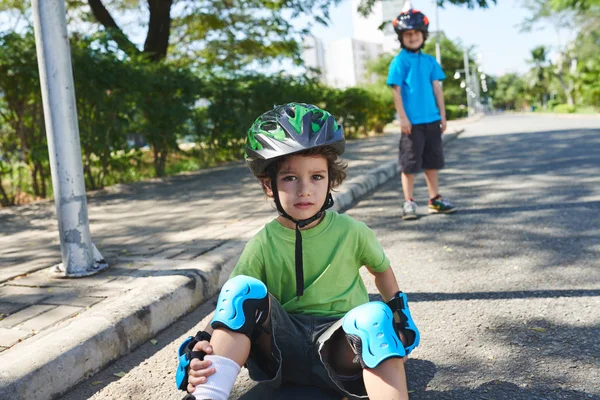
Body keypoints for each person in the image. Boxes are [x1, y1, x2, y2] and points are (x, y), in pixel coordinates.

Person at [174, 103, 420, 400]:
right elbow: (231, 309)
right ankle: (209, 393)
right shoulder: (264, 242)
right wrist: (203, 341)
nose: (305, 189)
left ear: (331, 179)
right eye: (290, 178)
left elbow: (381, 270)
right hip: (282, 352)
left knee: (373, 317)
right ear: (269, 186)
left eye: (316, 177)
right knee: (240, 289)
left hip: (340, 350)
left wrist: (399, 315)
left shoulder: (352, 231)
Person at [388, 3, 457, 220]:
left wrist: (443, 116)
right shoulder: (399, 61)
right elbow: (396, 91)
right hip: (412, 123)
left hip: (432, 120)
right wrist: (403, 118)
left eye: (417, 33)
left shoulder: (429, 61)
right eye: (407, 34)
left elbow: (437, 89)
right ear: (401, 37)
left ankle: (434, 199)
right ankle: (409, 202)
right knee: (409, 164)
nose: (412, 37)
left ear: (423, 35)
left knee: (432, 162)